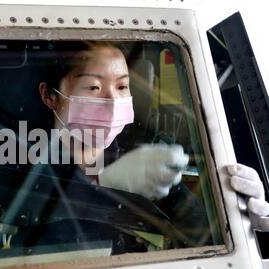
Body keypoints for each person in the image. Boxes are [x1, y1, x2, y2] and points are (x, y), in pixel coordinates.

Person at [37, 41, 269, 248]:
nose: (113, 103)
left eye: (121, 87)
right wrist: (105, 185)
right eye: (93, 88)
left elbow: (206, 235)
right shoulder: (21, 160)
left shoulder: (144, 165)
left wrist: (246, 224)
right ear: (49, 96)